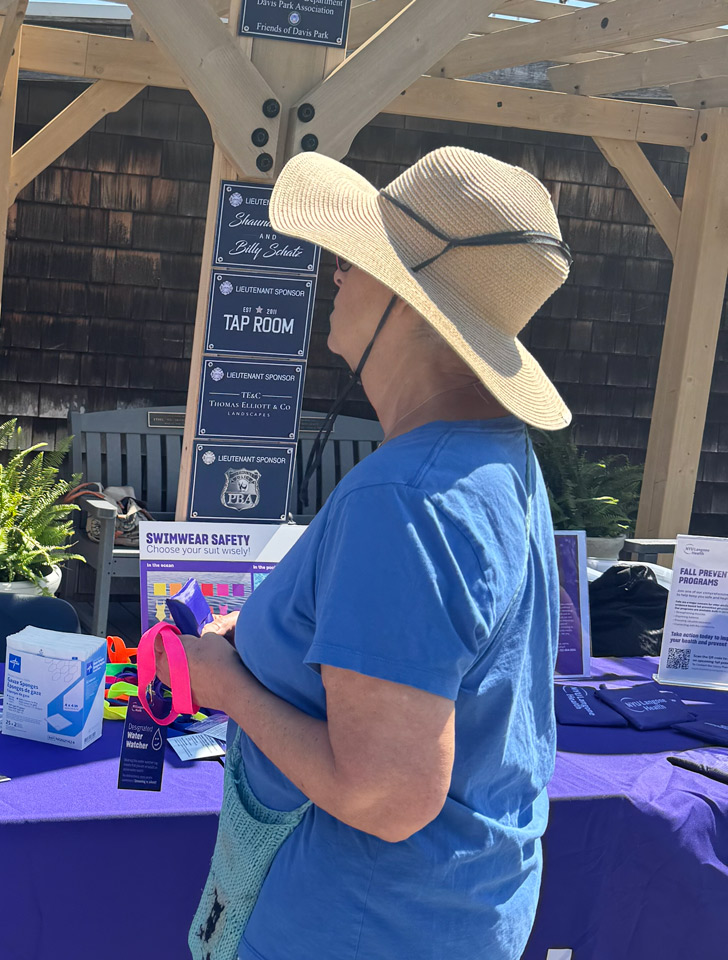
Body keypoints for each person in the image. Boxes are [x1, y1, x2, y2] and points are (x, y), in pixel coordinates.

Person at [169, 147, 569, 960]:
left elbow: (384, 796)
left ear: (409, 301)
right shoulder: (491, 460)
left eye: (356, 260)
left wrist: (224, 684)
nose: (337, 277)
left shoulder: (407, 498)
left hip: (354, 927)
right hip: (436, 918)